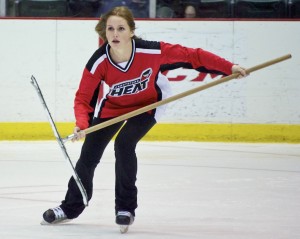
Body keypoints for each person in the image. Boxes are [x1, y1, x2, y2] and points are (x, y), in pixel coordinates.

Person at [41, 6, 247, 229]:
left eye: (121, 28)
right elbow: (83, 98)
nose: (115, 33)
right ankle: (70, 206)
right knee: (89, 153)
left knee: (124, 144)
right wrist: (82, 124)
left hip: (149, 105)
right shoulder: (99, 61)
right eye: (110, 29)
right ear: (104, 32)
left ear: (131, 31)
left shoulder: (152, 51)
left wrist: (229, 67)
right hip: (114, 107)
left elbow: (193, 56)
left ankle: (125, 208)